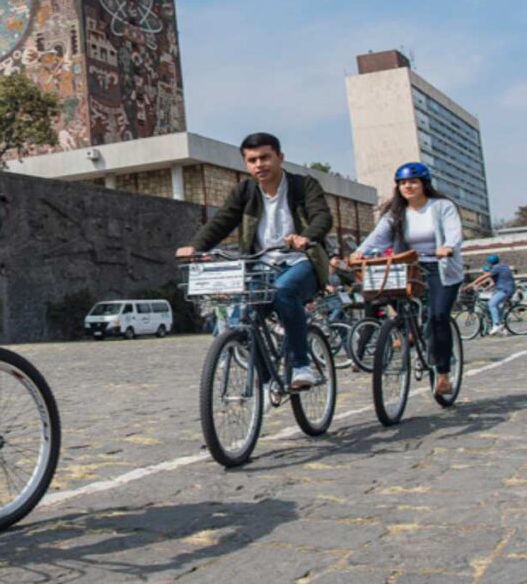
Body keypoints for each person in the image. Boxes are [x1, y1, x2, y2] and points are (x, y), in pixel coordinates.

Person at [176, 132, 333, 390]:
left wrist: (305, 237)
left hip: (301, 261)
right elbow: (222, 221)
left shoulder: (303, 186)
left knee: (284, 293)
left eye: (265, 157)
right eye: (252, 160)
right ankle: (268, 379)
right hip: (259, 265)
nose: (259, 164)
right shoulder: (245, 191)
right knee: (242, 318)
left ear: (280, 157)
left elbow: (322, 217)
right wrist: (196, 246)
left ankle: (301, 366)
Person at [349, 162, 463, 395]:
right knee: (396, 306)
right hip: (409, 270)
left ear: (424, 184)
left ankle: (443, 373)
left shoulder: (442, 206)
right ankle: (406, 334)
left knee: (438, 316)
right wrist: (360, 252)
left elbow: (454, 231)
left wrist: (448, 247)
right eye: (402, 183)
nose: (408, 186)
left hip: (440, 268)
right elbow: (377, 237)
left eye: (413, 182)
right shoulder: (396, 213)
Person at [466, 254, 516, 336]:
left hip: (505, 290)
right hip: (509, 289)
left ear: (489, 263)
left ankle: (496, 325)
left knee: (491, 304)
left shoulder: (496, 268)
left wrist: (472, 283)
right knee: (498, 308)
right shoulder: (503, 266)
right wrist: (486, 287)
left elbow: (484, 277)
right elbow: (495, 281)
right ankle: (502, 328)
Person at [325, 254, 356, 322]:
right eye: (336, 258)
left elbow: (352, 282)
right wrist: (326, 287)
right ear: (329, 261)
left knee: (344, 319)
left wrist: (348, 268)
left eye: (339, 259)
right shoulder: (324, 274)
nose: (338, 261)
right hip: (328, 299)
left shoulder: (340, 274)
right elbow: (319, 284)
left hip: (340, 298)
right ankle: (330, 321)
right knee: (339, 308)